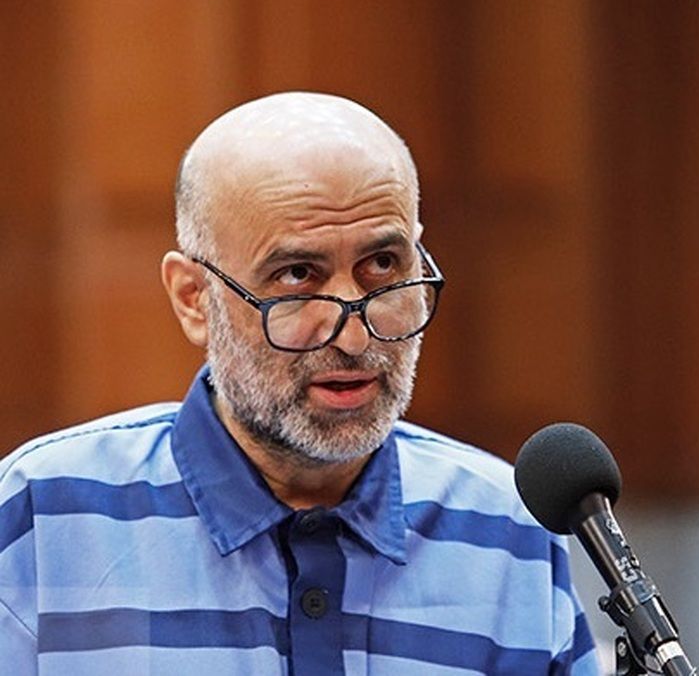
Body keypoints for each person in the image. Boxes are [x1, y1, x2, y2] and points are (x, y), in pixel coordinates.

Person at [0, 92, 601, 674]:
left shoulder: (508, 530)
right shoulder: (43, 517)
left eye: (383, 266)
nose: (354, 337)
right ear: (193, 298)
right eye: (296, 275)